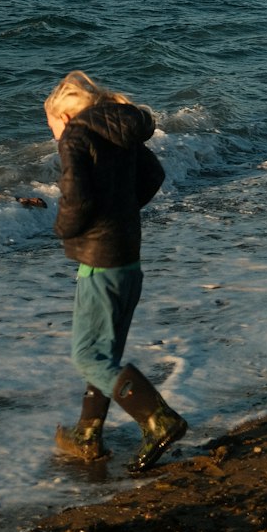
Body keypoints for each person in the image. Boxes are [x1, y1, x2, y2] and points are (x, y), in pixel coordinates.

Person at [45, 70, 187, 474]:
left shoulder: (75, 137)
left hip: (100, 264)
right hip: (129, 257)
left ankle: (159, 420)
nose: (53, 134)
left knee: (88, 356)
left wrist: (63, 229)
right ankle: (87, 434)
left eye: (51, 125)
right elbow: (154, 175)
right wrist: (122, 213)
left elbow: (77, 200)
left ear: (65, 116)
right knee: (105, 355)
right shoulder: (120, 135)